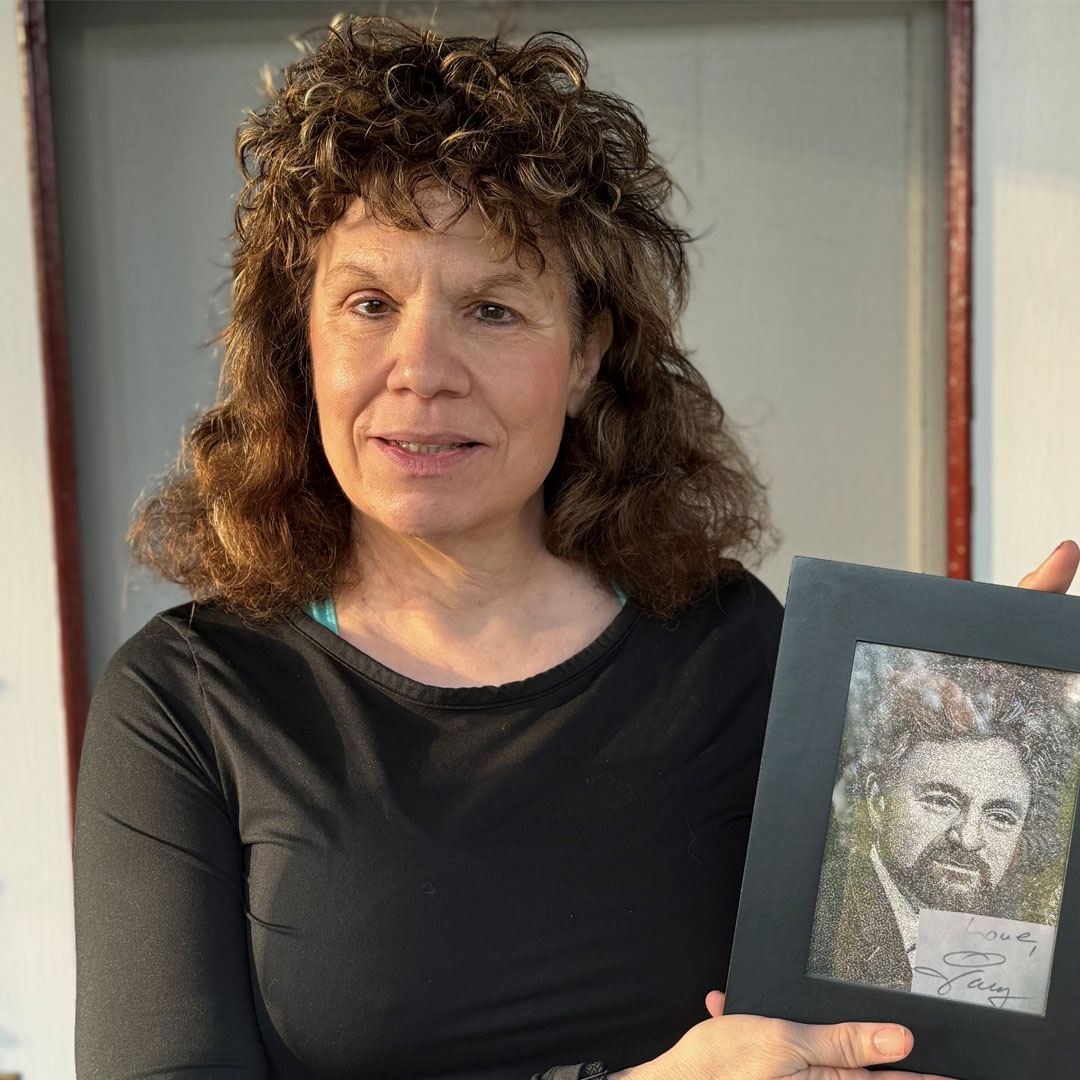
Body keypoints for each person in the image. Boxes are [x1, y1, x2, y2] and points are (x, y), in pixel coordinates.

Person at [72, 15, 1078, 1080]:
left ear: (589, 352)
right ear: (300, 342)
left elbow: (878, 1021)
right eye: (369, 303)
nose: (421, 369)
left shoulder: (730, 647)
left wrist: (985, 711)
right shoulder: (189, 700)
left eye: (493, 309)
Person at [808, 664, 1073, 993]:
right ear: (878, 801)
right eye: (942, 801)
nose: (968, 838)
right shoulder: (819, 919)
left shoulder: (1011, 937)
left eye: (1001, 817)